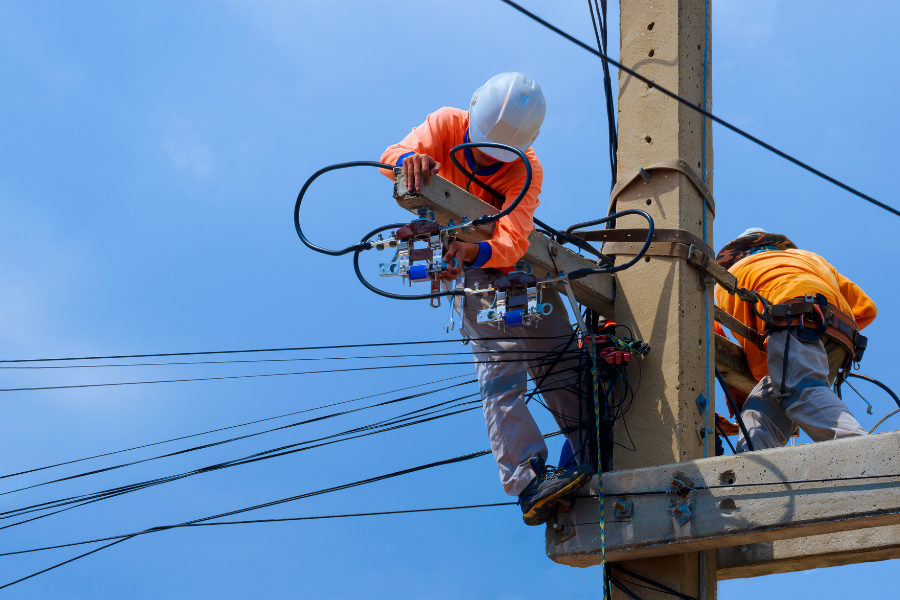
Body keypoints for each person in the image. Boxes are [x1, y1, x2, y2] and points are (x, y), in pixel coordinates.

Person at [379, 73, 592, 525]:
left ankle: (596, 452)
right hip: (472, 272)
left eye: (496, 157)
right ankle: (527, 479)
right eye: (479, 150)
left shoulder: (526, 167)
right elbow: (389, 158)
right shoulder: (445, 124)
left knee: (562, 362)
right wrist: (410, 161)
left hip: (510, 269)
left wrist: (473, 249)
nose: (487, 161)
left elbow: (513, 240)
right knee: (502, 364)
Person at [714, 228, 877, 452]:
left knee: (799, 389)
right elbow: (867, 309)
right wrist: (829, 328)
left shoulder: (730, 277)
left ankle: (870, 453)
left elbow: (734, 337)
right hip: (843, 337)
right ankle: (752, 470)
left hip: (793, 321)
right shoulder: (813, 259)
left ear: (737, 255)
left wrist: (740, 393)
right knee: (758, 411)